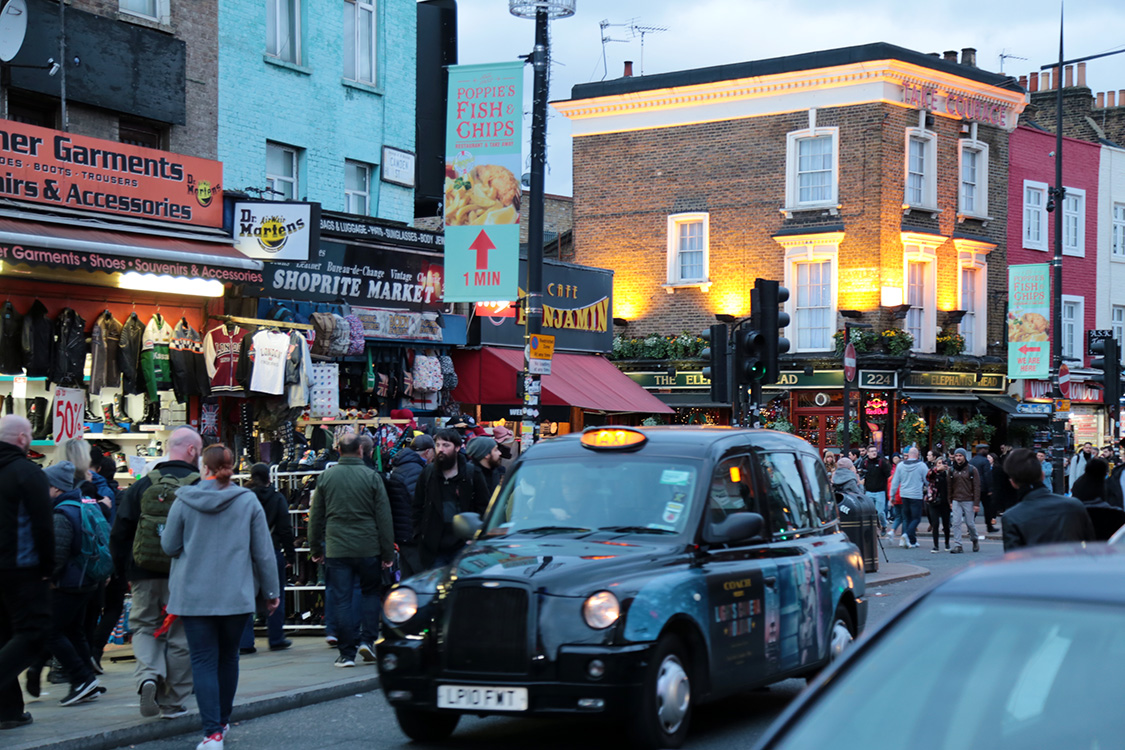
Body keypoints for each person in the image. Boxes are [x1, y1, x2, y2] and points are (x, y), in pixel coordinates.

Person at [162, 445, 279, 750]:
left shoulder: (184, 500)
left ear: (204, 468)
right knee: (228, 658)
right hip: (235, 594)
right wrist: (271, 592)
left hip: (194, 594)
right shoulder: (247, 501)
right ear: (232, 467)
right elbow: (263, 553)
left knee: (202, 660)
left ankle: (211, 732)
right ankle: (223, 722)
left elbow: (169, 545)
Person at [110, 426, 201, 719]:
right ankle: (172, 701)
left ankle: (148, 676)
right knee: (181, 634)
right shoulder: (199, 485)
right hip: (184, 574)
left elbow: (120, 531)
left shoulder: (141, 485)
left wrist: (124, 571)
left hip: (143, 571)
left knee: (144, 627)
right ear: (191, 451)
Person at [309, 434, 395, 668]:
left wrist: (315, 547)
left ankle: (347, 653)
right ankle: (368, 641)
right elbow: (384, 518)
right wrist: (387, 552)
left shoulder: (326, 477)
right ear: (361, 451)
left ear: (338, 451)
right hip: (368, 546)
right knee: (369, 594)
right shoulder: (371, 477)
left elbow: (316, 517)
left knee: (342, 599)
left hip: (337, 548)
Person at [25, 462, 104, 706]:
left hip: (68, 583)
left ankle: (81, 679)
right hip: (85, 581)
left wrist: (47, 578)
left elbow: (57, 553)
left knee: (49, 631)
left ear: (56, 489)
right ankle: (87, 680)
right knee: (74, 631)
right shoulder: (79, 506)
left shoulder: (61, 513)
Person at [0, 415, 54, 730]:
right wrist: (48, 569)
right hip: (21, 568)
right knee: (33, 634)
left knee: (4, 635)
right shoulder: (27, 473)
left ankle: (7, 711)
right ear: (22, 438)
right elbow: (42, 525)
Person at [412, 428, 489, 570]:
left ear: (457, 448)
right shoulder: (428, 473)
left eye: (446, 445)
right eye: (438, 445)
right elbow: (417, 505)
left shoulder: (472, 474)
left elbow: (484, 507)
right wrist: (420, 535)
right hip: (434, 547)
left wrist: (476, 537)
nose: (440, 449)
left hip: (463, 546)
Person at [238, 463, 295, 655]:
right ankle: (276, 637)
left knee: (247, 594)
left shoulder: (244, 498)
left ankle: (245, 641)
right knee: (276, 593)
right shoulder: (278, 498)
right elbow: (285, 528)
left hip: (248, 552)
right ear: (269, 477)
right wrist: (290, 554)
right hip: (272, 549)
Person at [1001, 448, 1095, 551]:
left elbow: (1014, 559)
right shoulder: (1074, 505)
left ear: (1013, 482)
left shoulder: (1012, 517)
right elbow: (1092, 545)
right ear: (1042, 476)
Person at [889, 447, 927, 548]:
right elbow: (927, 480)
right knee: (916, 519)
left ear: (908, 455)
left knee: (908, 518)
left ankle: (913, 541)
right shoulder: (922, 466)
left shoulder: (900, 466)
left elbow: (895, 481)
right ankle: (906, 534)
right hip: (916, 495)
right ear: (917, 455)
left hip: (904, 495)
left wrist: (892, 495)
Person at [948, 448, 981, 554]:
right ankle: (958, 545)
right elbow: (949, 486)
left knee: (970, 523)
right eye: (956, 456)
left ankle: (974, 539)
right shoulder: (952, 470)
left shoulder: (972, 469)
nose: (958, 458)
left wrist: (976, 503)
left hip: (969, 499)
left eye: (960, 456)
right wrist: (950, 501)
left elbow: (977, 487)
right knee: (956, 523)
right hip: (956, 499)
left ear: (964, 456)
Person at [859, 446, 891, 533]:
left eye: (875, 451)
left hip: (880, 491)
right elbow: (861, 474)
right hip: (869, 491)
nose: (874, 453)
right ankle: (871, 529)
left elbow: (889, 475)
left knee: (880, 512)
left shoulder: (882, 462)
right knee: (870, 512)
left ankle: (883, 525)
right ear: (868, 453)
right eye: (872, 451)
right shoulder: (864, 463)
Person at [925, 457, 952, 552]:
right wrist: (937, 470)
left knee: (946, 524)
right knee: (935, 524)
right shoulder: (933, 473)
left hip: (945, 502)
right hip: (934, 501)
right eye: (938, 463)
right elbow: (928, 476)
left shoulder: (948, 474)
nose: (940, 465)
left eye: (942, 463)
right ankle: (935, 545)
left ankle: (947, 543)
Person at [969, 445, 996, 533]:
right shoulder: (985, 461)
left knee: (974, 508)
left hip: (973, 487)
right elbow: (987, 475)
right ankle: (989, 527)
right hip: (983, 488)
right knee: (987, 508)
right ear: (981, 450)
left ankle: (970, 527)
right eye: (985, 449)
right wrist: (990, 489)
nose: (987, 450)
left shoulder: (972, 460)